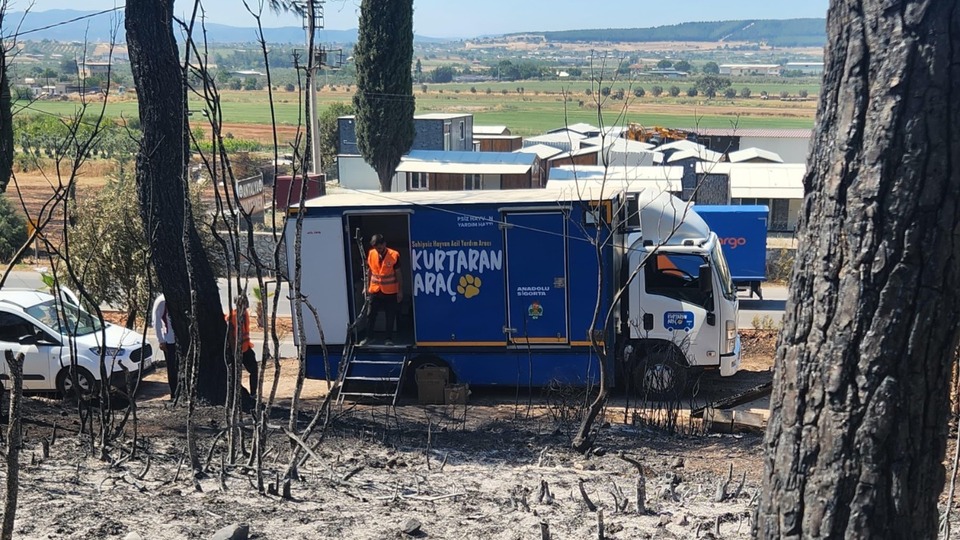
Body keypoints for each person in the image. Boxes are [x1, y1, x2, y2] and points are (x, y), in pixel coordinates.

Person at [366, 234, 403, 346]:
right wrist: (366, 287)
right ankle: (369, 337)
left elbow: (399, 274)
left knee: (390, 315)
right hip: (375, 290)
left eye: (380, 247)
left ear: (384, 244)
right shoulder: (371, 253)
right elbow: (369, 271)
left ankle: (388, 339)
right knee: (370, 314)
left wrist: (400, 291)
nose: (378, 250)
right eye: (376, 248)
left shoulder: (394, 255)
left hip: (390, 291)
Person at [227, 295, 259, 397]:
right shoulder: (232, 317)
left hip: (246, 348)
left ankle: (253, 393)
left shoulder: (245, 314)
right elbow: (230, 336)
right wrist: (234, 351)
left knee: (254, 370)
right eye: (243, 302)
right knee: (236, 373)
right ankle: (236, 394)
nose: (246, 304)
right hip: (237, 350)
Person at [152, 294, 178, 398]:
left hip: (180, 339)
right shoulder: (162, 301)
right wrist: (161, 341)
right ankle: (174, 393)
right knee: (173, 369)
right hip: (169, 340)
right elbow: (156, 321)